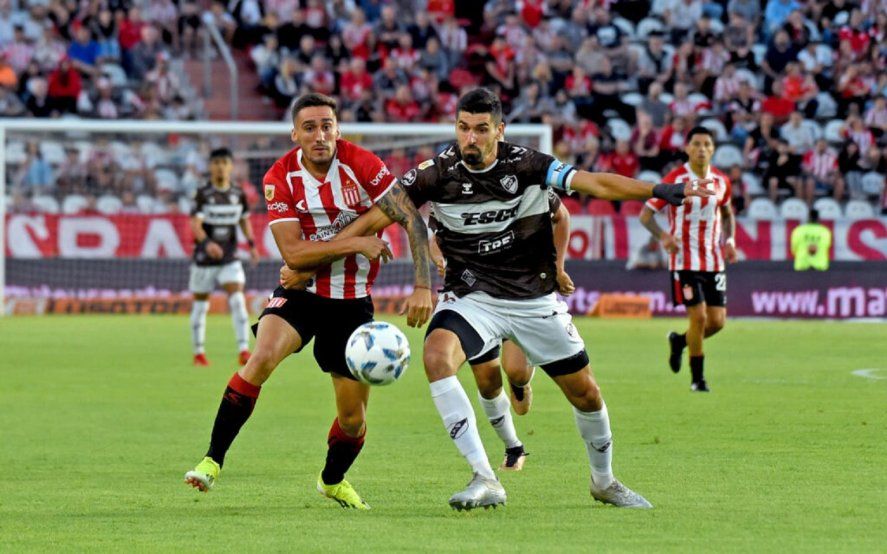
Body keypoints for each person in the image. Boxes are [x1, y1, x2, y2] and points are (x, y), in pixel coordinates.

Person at [327, 88, 713, 510]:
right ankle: (485, 477)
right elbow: (381, 215)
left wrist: (654, 189)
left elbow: (592, 183)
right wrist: (313, 259)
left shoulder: (528, 165)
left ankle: (604, 482)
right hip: (471, 296)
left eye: (480, 129)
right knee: (436, 357)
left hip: (533, 298)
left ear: (499, 130)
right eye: (463, 128)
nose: (470, 138)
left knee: (586, 394)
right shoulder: (436, 173)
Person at [183, 94, 434, 510]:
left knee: (353, 420)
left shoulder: (364, 164)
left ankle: (332, 480)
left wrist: (423, 286)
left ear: (338, 129)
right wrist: (357, 241)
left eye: (327, 125)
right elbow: (294, 257)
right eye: (310, 127)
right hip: (300, 292)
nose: (320, 135)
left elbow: (411, 217)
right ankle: (212, 460)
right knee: (261, 357)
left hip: (352, 303)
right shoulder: (279, 176)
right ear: (295, 134)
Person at [428, 189, 575, 472]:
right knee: (487, 382)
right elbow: (435, 237)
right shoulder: (450, 185)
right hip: (475, 298)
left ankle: (520, 384)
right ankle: (513, 447)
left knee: (516, 371)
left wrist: (558, 267)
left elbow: (562, 216)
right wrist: (441, 259)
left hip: (520, 292)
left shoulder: (525, 179)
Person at [639, 127, 738, 392]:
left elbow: (727, 214)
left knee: (717, 322)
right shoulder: (676, 179)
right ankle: (698, 379)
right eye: (696, 143)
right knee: (699, 317)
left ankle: (680, 342)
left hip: (713, 260)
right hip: (684, 260)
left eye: (707, 143)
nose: (702, 148)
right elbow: (646, 215)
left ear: (713, 149)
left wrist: (729, 241)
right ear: (687, 148)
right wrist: (664, 237)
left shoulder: (721, 181)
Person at [188, 148, 259, 367]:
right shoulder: (202, 193)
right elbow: (195, 224)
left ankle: (244, 350)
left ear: (230, 166)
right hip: (204, 258)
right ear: (210, 166)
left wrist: (252, 244)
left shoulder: (238, 194)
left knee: (237, 299)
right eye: (216, 162)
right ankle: (199, 352)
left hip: (229, 256)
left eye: (224, 162)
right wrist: (207, 243)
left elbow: (244, 220)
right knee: (201, 305)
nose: (220, 166)